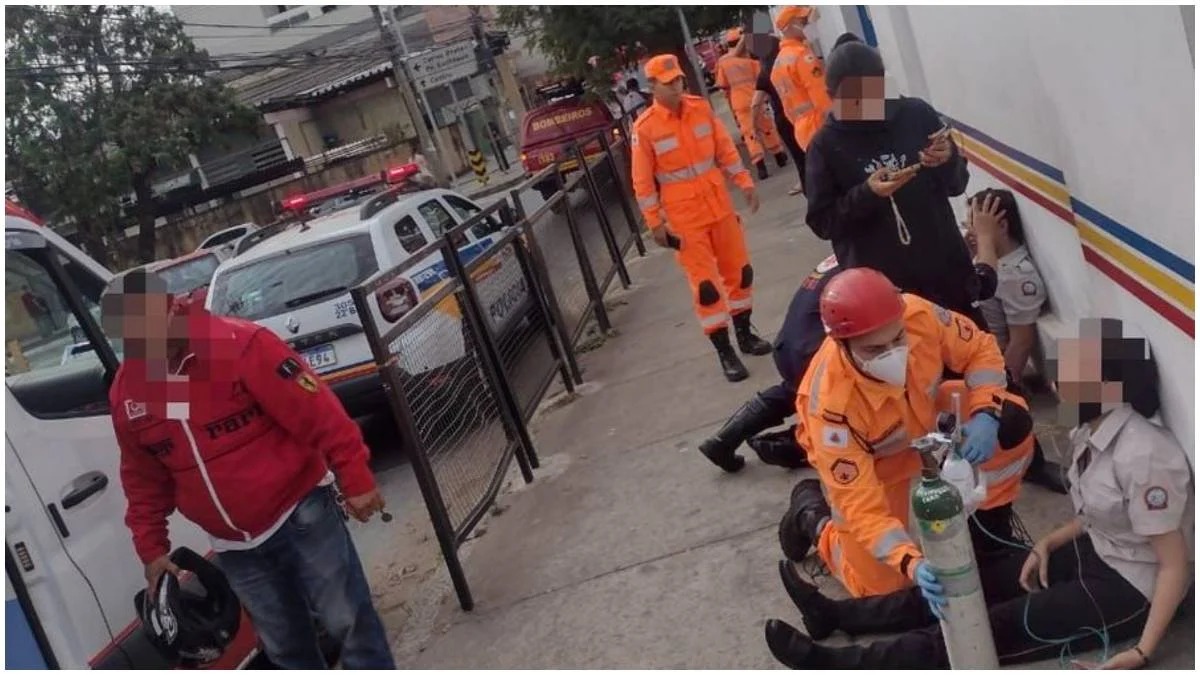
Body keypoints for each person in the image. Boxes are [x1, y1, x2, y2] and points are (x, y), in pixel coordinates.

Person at [765, 318, 1192, 670]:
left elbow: (1173, 564)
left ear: (1108, 387)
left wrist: (1141, 652)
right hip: (1101, 549)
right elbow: (1109, 514)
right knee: (969, 582)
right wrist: (1050, 541)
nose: (1057, 381)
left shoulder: (1145, 455)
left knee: (985, 627)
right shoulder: (1092, 428)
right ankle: (836, 615)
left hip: (1133, 587)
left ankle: (844, 663)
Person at [106, 269, 395, 669]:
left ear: (172, 309)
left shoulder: (237, 345)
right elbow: (144, 476)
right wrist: (152, 549)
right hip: (236, 547)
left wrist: (356, 476)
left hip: (299, 513)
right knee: (285, 648)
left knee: (349, 624)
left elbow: (318, 412)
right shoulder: (133, 388)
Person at [778, 267, 1009, 599]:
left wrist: (987, 412)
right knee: (880, 588)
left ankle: (992, 529)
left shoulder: (918, 313)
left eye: (898, 338)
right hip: (877, 463)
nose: (893, 354)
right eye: (874, 350)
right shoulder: (830, 409)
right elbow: (862, 505)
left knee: (1011, 416)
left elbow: (980, 350)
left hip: (925, 415)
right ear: (843, 345)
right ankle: (813, 520)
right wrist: (910, 563)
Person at [804, 40, 985, 327]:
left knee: (977, 360)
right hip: (888, 296)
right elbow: (823, 222)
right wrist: (866, 194)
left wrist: (948, 160)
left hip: (947, 274)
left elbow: (957, 184)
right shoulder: (825, 146)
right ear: (832, 97)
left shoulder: (915, 114)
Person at [630, 53, 773, 382]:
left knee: (740, 272)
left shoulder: (700, 108)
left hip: (719, 206)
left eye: (679, 80)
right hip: (684, 219)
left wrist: (744, 181)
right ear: (652, 86)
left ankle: (745, 335)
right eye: (669, 84)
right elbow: (642, 181)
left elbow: (724, 148)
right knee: (706, 288)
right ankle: (725, 352)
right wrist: (655, 223)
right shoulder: (646, 129)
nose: (677, 87)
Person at [967, 190, 1070, 493]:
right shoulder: (992, 261)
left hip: (993, 363)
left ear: (1000, 225)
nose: (971, 229)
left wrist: (1002, 391)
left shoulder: (1014, 275)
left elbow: (1021, 342)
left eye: (976, 223)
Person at [697, 255, 838, 472]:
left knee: (796, 389)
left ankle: (722, 440)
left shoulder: (842, 254)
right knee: (859, 397)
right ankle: (793, 445)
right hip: (813, 353)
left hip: (790, 347)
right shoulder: (875, 256)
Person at [714, 28, 788, 180]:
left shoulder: (723, 62)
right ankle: (779, 156)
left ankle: (761, 167)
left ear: (728, 44)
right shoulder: (751, 58)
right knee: (767, 128)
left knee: (749, 134)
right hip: (756, 98)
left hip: (739, 102)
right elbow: (761, 77)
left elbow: (723, 85)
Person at [748, 27, 808, 195]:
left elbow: (755, 103)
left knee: (798, 157)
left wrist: (753, 126)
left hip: (783, 119)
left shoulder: (765, 73)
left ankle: (807, 184)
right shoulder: (790, 63)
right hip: (802, 115)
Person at [770, 7, 832, 155]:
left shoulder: (778, 64)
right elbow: (822, 98)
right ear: (790, 25)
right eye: (803, 21)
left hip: (803, 132)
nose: (808, 24)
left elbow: (788, 109)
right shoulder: (803, 57)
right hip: (821, 128)